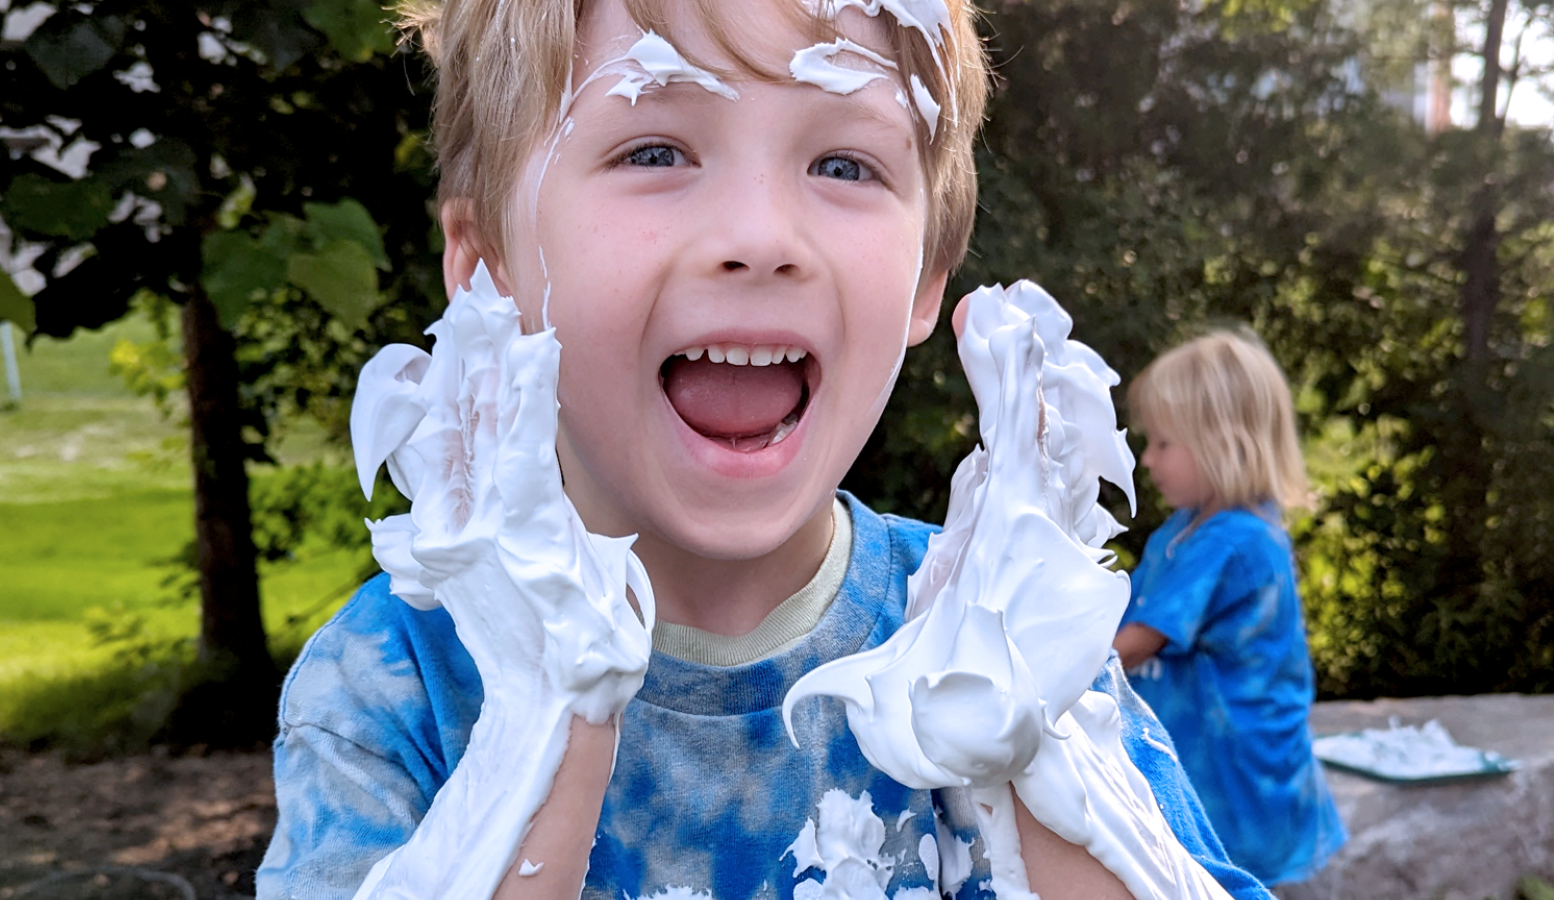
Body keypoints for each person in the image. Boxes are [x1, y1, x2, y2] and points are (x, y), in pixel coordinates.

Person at [256, 0, 1276, 896]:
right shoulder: (389, 685)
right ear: (488, 268)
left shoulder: (1015, 642)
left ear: (929, 277)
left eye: (844, 163)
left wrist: (1042, 749)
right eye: (654, 151)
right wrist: (541, 725)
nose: (760, 234)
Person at [1110, 329, 1348, 886]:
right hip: (1220, 766)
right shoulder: (1187, 531)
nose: (1146, 459)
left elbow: (1132, 643)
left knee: (1230, 884)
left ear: (1224, 442)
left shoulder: (1232, 542)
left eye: (1164, 443)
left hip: (1234, 780)